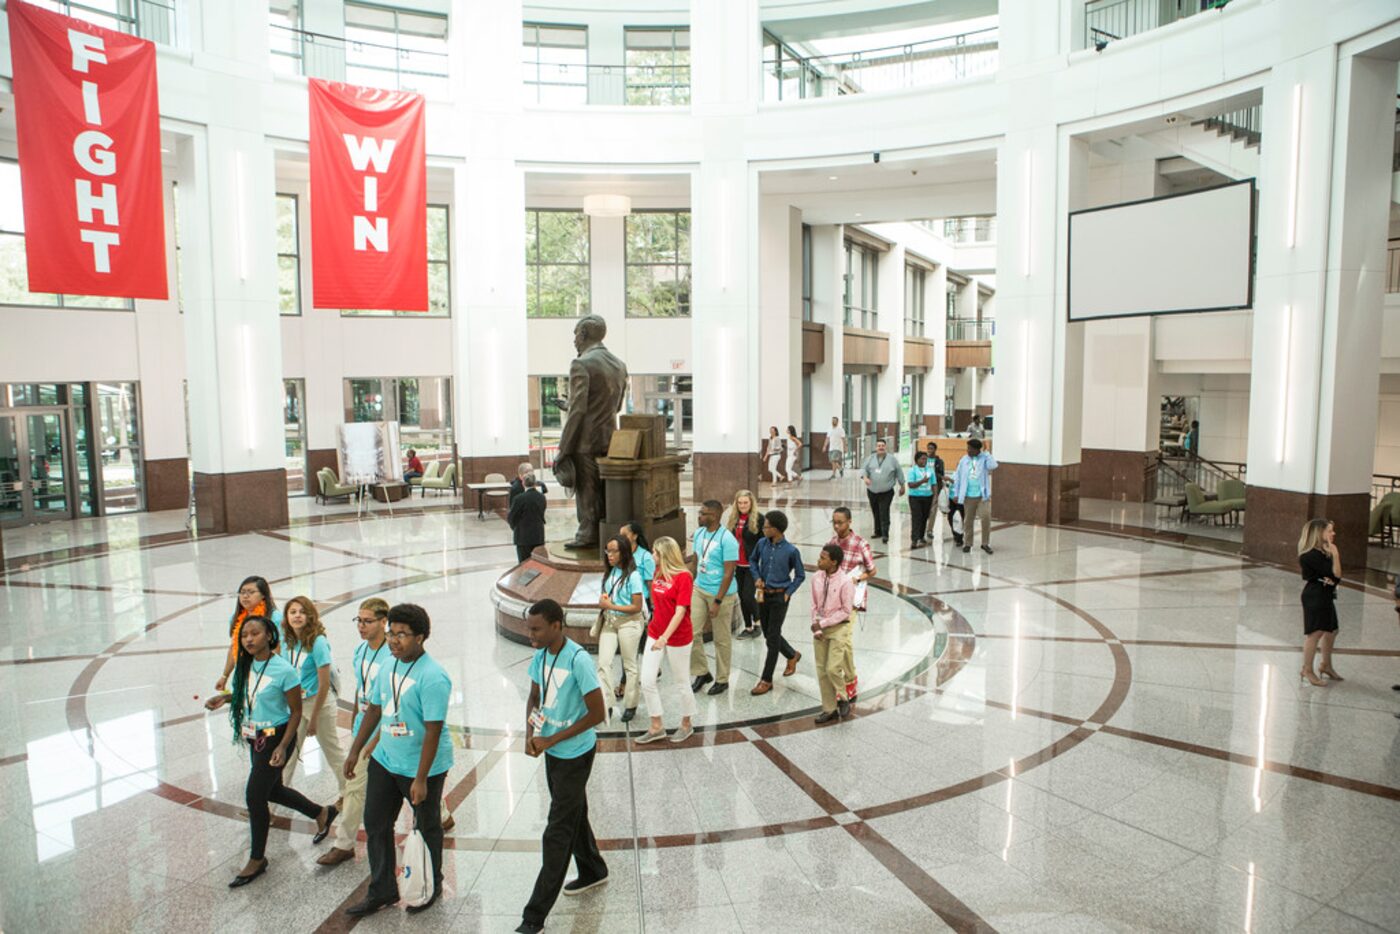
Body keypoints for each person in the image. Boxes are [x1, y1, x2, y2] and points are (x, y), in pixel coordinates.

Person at [204, 615, 336, 887]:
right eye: (244, 635)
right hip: (255, 738)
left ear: (269, 636)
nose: (249, 639)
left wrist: (285, 746)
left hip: (276, 739)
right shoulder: (245, 665)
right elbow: (248, 693)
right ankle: (321, 813)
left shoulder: (284, 670)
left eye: (254, 634)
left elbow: (296, 712)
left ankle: (257, 859)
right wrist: (226, 698)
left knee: (254, 796)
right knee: (273, 790)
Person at [343, 604, 454, 917]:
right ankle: (382, 890)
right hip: (386, 758)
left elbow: (433, 731)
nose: (393, 640)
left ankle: (431, 884)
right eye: (391, 633)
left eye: (401, 635)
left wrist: (421, 779)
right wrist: (355, 749)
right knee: (376, 823)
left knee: (427, 825)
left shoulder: (433, 677)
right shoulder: (387, 666)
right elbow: (375, 710)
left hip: (423, 765)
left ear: (420, 637)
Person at [517, 599, 608, 934]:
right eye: (529, 628)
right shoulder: (540, 655)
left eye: (537, 628)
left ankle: (533, 916)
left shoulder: (578, 660)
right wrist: (531, 732)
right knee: (573, 812)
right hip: (552, 750)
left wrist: (551, 741)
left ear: (558, 625)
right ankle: (593, 869)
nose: (531, 635)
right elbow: (534, 697)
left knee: (557, 829)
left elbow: (597, 715)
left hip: (575, 754)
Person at [319, 598, 388, 866]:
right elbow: (361, 690)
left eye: (367, 621)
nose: (361, 626)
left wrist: (373, 741)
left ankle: (440, 815)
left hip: (388, 730)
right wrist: (356, 725)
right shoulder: (360, 651)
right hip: (365, 726)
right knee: (355, 787)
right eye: (358, 620)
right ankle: (344, 844)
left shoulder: (391, 654)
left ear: (384, 622)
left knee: (406, 784)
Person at [555, 315, 629, 549]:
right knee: (603, 490)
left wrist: (563, 449)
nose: (574, 341)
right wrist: (569, 405)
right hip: (609, 439)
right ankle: (606, 535)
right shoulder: (619, 365)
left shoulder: (582, 364)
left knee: (587, 490)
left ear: (584, 334)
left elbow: (578, 412)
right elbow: (614, 406)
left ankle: (587, 534)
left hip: (585, 442)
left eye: (576, 334)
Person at [280, 597, 347, 794]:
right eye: (293, 612)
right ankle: (279, 795)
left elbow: (325, 683)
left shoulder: (318, 642)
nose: (297, 616)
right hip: (296, 705)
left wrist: (314, 718)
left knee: (332, 751)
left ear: (310, 616)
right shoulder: (288, 641)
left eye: (302, 612)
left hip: (319, 703)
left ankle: (348, 792)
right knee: (290, 752)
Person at [636, 537, 697, 744]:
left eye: (654, 552)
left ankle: (687, 723)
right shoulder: (658, 572)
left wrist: (665, 638)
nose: (652, 555)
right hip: (655, 631)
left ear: (664, 554)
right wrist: (657, 632)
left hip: (678, 636)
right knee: (647, 680)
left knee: (681, 682)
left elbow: (680, 611)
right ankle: (656, 726)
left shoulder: (684, 578)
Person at [750, 510, 804, 696]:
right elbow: (753, 560)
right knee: (768, 634)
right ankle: (792, 654)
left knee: (772, 639)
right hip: (763, 595)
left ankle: (766, 679)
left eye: (766, 526)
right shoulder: (761, 544)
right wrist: (756, 577)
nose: (763, 529)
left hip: (780, 597)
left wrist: (788, 593)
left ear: (776, 529)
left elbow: (800, 575)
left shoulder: (791, 551)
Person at [689, 500, 739, 696]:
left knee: (721, 638)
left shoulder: (728, 540)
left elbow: (728, 573)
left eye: (703, 513)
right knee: (692, 633)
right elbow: (695, 561)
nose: (699, 516)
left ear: (715, 516)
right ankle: (701, 672)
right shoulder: (700, 533)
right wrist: (688, 584)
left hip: (721, 594)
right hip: (699, 589)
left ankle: (722, 679)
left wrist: (717, 601)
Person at [828, 507, 875, 703]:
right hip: (834, 599)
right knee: (840, 640)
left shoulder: (860, 544)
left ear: (850, 522)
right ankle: (845, 676)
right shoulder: (831, 543)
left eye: (840, 522)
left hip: (852, 599)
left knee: (845, 639)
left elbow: (872, 570)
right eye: (834, 522)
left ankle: (850, 679)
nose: (837, 526)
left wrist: (856, 578)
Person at [597, 536, 644, 724]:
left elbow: (637, 607)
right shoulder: (610, 573)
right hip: (610, 622)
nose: (610, 555)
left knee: (629, 665)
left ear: (624, 552)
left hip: (629, 623)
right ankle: (607, 703)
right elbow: (608, 596)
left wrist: (611, 605)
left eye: (614, 551)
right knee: (603, 662)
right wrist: (605, 601)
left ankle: (631, 704)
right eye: (608, 551)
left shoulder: (634, 576)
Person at [809, 544, 856, 724]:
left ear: (834, 562)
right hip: (820, 627)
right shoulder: (816, 578)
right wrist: (816, 625)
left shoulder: (845, 582)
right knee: (821, 670)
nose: (818, 561)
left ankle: (843, 697)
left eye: (823, 558)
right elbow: (813, 604)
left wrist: (823, 623)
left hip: (839, 628)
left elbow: (846, 611)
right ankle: (829, 709)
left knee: (832, 668)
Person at [216, 576, 283, 693]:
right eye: (242, 592)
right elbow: (234, 648)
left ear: (263, 595)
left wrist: (271, 676)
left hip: (267, 675)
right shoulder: (235, 618)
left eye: (251, 592)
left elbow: (278, 648)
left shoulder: (275, 617)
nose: (245, 596)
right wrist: (225, 676)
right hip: (243, 674)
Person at [1297, 519, 1343, 687]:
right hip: (1315, 596)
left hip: (1326, 594)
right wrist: (1335, 555)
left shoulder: (1325, 552)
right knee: (1315, 633)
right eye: (1329, 531)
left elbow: (1335, 577)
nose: (1333, 534)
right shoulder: (1309, 556)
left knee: (1332, 630)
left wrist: (1334, 555)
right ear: (1319, 533)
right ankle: (1307, 669)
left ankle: (1326, 664)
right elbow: (1335, 575)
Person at [613, 521, 655, 702]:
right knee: (633, 645)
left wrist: (653, 606)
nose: (621, 537)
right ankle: (651, 668)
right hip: (623, 603)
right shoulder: (619, 555)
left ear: (635, 536)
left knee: (631, 646)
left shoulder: (645, 557)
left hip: (640, 604)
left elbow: (650, 583)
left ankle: (625, 682)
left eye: (625, 534)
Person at [951, 438, 999, 555]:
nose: (968, 450)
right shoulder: (964, 460)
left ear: (977, 450)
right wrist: (956, 493)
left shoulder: (984, 459)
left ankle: (985, 543)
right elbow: (958, 477)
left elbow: (994, 465)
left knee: (986, 518)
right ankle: (968, 543)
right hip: (968, 496)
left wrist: (986, 452)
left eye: (970, 449)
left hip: (982, 496)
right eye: (967, 448)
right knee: (968, 520)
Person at [727, 490, 764, 640]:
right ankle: (748, 627)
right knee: (742, 596)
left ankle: (758, 623)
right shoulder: (734, 519)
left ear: (751, 503)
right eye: (740, 503)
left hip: (752, 565)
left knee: (749, 596)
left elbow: (764, 541)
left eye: (745, 503)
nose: (742, 505)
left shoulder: (759, 519)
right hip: (738, 564)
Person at [860, 439, 905, 544]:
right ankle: (877, 531)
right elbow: (863, 469)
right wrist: (865, 477)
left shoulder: (892, 460)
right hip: (872, 491)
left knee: (884, 511)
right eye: (879, 445)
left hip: (886, 492)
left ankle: (885, 534)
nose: (880, 447)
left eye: (882, 446)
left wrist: (902, 485)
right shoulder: (870, 459)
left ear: (885, 447)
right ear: (876, 448)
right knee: (876, 511)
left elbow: (899, 472)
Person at [507, 471, 548, 563]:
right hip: (538, 535)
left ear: (523, 483)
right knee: (539, 563)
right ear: (535, 483)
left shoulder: (519, 498)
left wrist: (515, 527)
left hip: (523, 536)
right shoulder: (541, 497)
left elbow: (511, 517)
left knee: (524, 564)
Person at [907, 450, 935, 547]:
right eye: (922, 459)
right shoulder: (912, 470)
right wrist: (922, 481)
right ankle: (914, 539)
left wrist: (935, 497)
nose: (924, 461)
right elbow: (910, 485)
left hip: (928, 497)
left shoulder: (930, 470)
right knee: (916, 517)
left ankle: (921, 537)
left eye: (926, 459)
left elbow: (934, 484)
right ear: (917, 460)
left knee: (924, 517)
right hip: (915, 497)